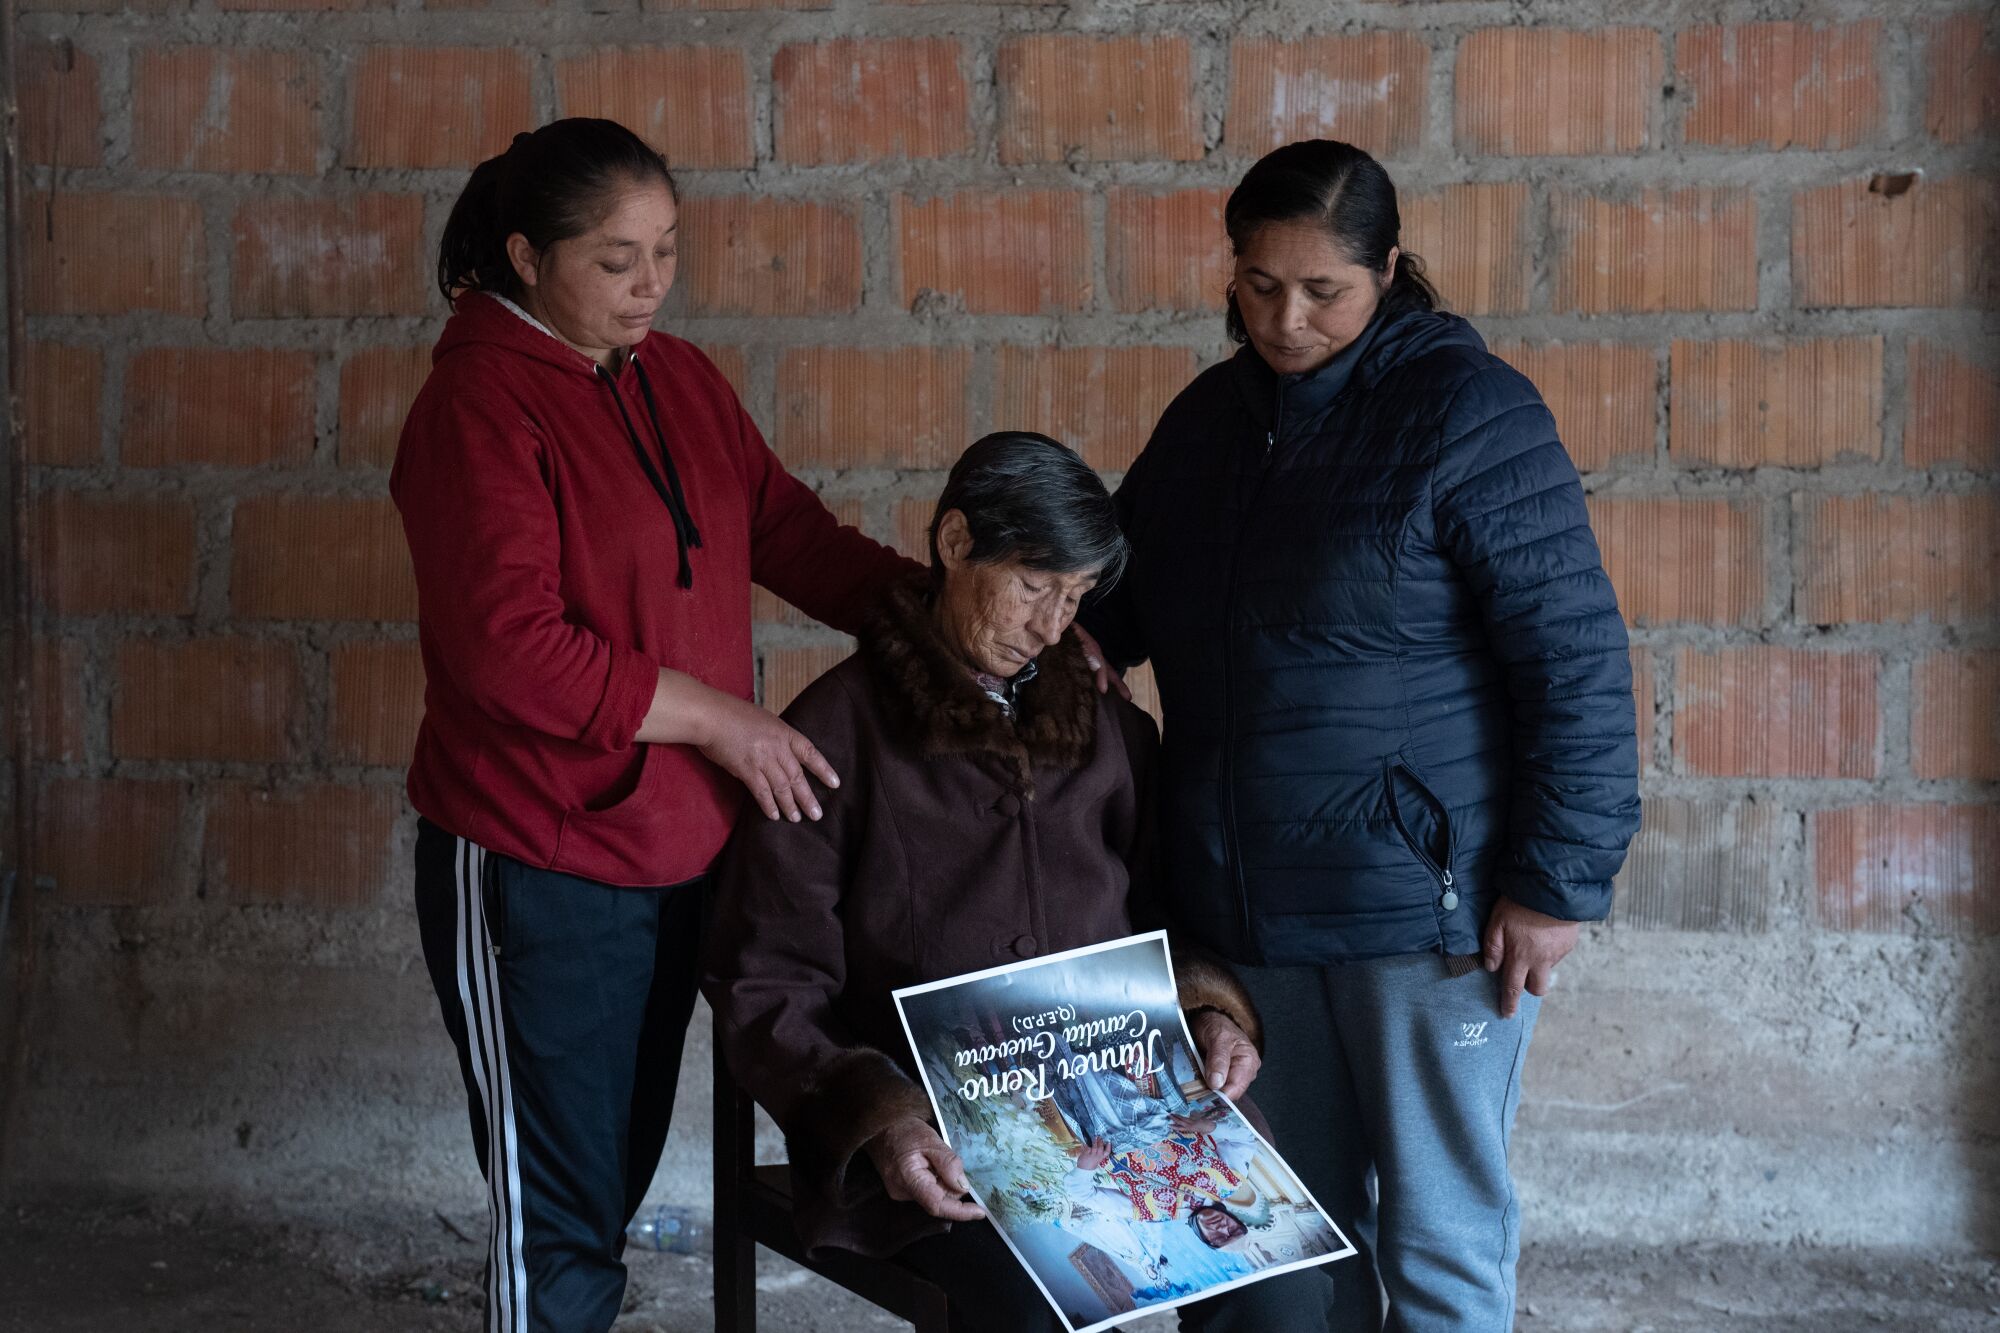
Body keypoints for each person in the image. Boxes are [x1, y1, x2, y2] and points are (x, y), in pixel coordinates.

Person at [1085, 139, 1643, 1331]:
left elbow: (1575, 661)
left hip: (1420, 913)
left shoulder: (1467, 412)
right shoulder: (1204, 426)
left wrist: (1554, 882)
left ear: (1385, 270)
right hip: (1243, 913)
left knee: (1435, 1235)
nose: (1284, 319)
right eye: (1256, 283)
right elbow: (1109, 614)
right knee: (1275, 1237)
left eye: (1321, 290)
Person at [391, 118, 922, 1333]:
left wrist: (974, 622)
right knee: (559, 1209)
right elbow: (504, 647)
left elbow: (792, 536)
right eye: (615, 260)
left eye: (666, 253)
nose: (648, 287)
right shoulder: (478, 404)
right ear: (525, 255)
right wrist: (721, 725)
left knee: (615, 1171)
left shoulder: (673, 377)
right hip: (538, 858)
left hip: (680, 851)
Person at [701, 433, 1278, 1333]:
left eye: (1077, 596)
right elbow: (768, 979)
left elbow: (1171, 911)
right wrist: (887, 1121)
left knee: (1279, 1282)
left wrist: (1207, 1010)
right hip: (937, 1137)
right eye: (1034, 586)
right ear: (956, 541)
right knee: (1028, 1304)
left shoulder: (1112, 734)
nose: (1054, 627)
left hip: (1126, 1106)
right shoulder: (834, 736)